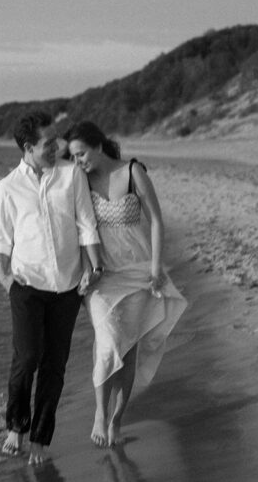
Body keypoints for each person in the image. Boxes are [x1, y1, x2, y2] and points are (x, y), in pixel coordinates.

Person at [0, 109, 103, 465]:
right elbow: (0, 240)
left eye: (56, 140)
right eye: (48, 143)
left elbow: (86, 224)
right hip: (26, 284)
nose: (57, 147)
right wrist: (4, 277)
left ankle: (39, 438)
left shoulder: (71, 176)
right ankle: (15, 426)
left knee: (55, 365)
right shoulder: (7, 188)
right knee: (27, 358)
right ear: (28, 147)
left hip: (67, 286)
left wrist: (94, 264)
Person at [65, 121, 187, 447]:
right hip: (101, 277)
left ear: (98, 145)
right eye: (73, 157)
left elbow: (157, 221)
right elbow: (73, 229)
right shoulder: (79, 180)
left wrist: (157, 266)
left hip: (138, 273)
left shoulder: (133, 173)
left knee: (128, 351)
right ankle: (100, 415)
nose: (78, 162)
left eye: (81, 154)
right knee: (108, 342)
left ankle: (117, 419)